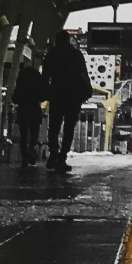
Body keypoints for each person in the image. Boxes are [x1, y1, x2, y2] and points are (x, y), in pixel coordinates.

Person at [44, 31, 92, 171]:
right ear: (68, 39)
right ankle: (62, 158)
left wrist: (47, 91)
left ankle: (53, 152)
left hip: (57, 94)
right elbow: (84, 74)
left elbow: (45, 75)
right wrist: (86, 90)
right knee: (69, 129)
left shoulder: (51, 53)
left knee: (53, 127)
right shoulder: (76, 54)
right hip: (73, 96)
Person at [11, 55, 46, 166]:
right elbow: (42, 97)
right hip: (35, 111)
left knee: (24, 135)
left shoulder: (20, 84)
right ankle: (31, 148)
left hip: (23, 111)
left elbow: (14, 99)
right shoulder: (37, 84)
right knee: (34, 134)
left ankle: (25, 156)